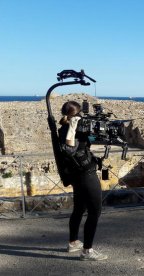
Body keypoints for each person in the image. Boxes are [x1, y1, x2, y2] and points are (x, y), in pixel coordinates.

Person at [58, 101, 107, 261]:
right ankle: (87, 251)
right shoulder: (68, 129)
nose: (81, 117)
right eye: (78, 115)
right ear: (73, 116)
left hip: (78, 174)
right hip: (85, 174)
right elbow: (69, 149)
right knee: (95, 211)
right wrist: (72, 127)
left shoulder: (72, 128)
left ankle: (73, 242)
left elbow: (88, 140)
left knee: (79, 209)